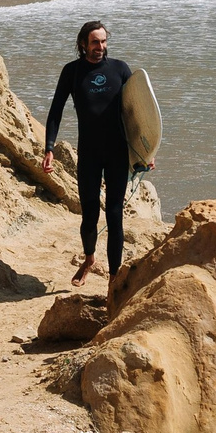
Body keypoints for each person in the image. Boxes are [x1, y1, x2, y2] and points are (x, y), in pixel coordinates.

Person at [43, 20, 148, 288]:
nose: (100, 47)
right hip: (89, 153)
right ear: (83, 44)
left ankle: (113, 277)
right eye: (95, 42)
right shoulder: (73, 72)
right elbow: (56, 111)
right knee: (89, 214)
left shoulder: (120, 70)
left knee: (115, 214)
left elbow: (138, 113)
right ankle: (89, 259)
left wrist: (147, 150)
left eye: (103, 41)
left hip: (117, 152)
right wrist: (49, 148)